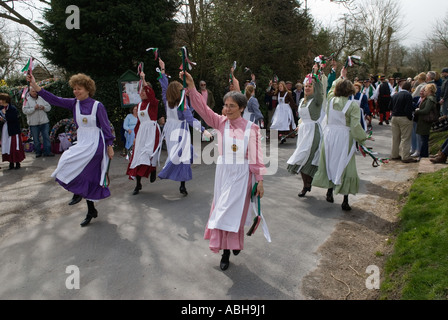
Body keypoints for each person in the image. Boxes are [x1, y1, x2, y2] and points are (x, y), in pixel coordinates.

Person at [182, 70, 268, 271]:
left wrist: (260, 180)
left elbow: (256, 157)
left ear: (241, 108)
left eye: (232, 106)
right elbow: (202, 109)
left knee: (233, 212)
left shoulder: (252, 129)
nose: (227, 109)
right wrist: (192, 87)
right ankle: (226, 250)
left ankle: (230, 248)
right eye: (225, 105)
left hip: (242, 174)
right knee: (221, 211)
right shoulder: (220, 122)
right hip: (223, 172)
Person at [27, 73, 115, 227]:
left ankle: (86, 206)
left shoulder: (97, 106)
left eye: (78, 88)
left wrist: (110, 146)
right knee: (67, 160)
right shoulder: (74, 104)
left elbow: (106, 127)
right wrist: (35, 86)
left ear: (88, 89)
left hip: (96, 144)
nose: (75, 91)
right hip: (82, 141)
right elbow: (54, 99)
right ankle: (89, 208)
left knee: (87, 176)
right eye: (74, 89)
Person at [312, 67, 369, 211]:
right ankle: (345, 200)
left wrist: (340, 77)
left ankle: (330, 191)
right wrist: (363, 138)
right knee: (346, 166)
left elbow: (331, 89)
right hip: (344, 137)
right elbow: (356, 126)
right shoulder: (353, 105)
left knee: (329, 162)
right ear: (350, 91)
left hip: (330, 135)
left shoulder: (330, 100)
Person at [157, 58, 210, 195]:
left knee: (178, 154)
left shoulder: (166, 100)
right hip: (181, 131)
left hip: (169, 131)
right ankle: (181, 184)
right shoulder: (182, 105)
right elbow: (190, 119)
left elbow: (164, 86)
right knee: (183, 156)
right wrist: (203, 130)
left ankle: (179, 180)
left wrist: (163, 70)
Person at [287, 64, 324, 198]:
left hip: (313, 131)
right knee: (301, 157)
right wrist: (299, 125)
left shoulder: (316, 101)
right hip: (303, 131)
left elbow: (320, 92)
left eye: (310, 86)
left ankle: (308, 183)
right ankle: (306, 184)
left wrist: (315, 75)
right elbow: (302, 117)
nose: (307, 88)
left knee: (309, 157)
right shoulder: (302, 100)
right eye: (306, 86)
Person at [126, 71, 162, 195]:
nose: (141, 93)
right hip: (142, 133)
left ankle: (152, 170)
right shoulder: (139, 105)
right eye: (140, 91)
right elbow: (139, 123)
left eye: (143, 91)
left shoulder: (153, 103)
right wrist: (136, 136)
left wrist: (144, 79)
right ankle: (138, 184)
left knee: (148, 155)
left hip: (152, 132)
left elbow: (151, 96)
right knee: (137, 157)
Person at [22, 87, 54, 158]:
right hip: (33, 123)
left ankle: (47, 152)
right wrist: (34, 108)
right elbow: (24, 111)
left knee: (46, 137)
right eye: (33, 91)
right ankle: (38, 152)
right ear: (29, 92)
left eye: (36, 91)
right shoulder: (26, 100)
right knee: (36, 139)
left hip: (44, 122)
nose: (34, 93)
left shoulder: (42, 98)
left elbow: (49, 107)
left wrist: (44, 108)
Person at [389, 81, 416, 163]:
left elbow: (389, 106)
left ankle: (394, 154)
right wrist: (410, 117)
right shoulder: (408, 95)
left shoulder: (395, 95)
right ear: (409, 88)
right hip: (404, 117)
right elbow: (408, 108)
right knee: (405, 137)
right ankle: (405, 156)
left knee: (395, 137)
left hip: (394, 117)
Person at [0, 93, 26, 170]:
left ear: (4, 100)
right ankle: (11, 162)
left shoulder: (12, 108)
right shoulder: (1, 108)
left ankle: (17, 162)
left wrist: (5, 114)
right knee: (7, 146)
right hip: (6, 130)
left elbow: (13, 118)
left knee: (14, 146)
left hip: (13, 130)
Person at [414, 83, 438, 159]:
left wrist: (417, 111)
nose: (424, 91)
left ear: (430, 90)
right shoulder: (430, 98)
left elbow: (426, 110)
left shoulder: (430, 99)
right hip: (423, 120)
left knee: (424, 139)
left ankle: (423, 155)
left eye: (426, 90)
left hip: (425, 121)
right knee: (424, 138)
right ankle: (423, 154)